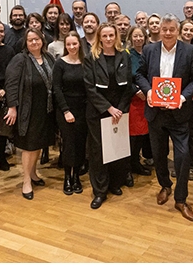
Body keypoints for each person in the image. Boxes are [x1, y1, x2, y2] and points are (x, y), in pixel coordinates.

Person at [136, 13, 193, 221]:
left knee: (183, 157)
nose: (167, 33)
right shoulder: (149, 50)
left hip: (180, 113)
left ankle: (181, 198)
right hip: (156, 113)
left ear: (178, 30)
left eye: (171, 29)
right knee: (158, 155)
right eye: (164, 29)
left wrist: (183, 97)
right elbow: (139, 74)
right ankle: (165, 185)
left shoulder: (190, 51)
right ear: (158, 30)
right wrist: (148, 91)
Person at [83, 24, 134, 209]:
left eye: (111, 35)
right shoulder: (91, 57)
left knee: (117, 149)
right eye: (104, 36)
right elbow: (89, 88)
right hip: (98, 111)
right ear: (99, 38)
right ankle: (100, 191)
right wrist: (109, 108)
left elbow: (129, 85)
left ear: (116, 36)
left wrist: (119, 109)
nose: (109, 38)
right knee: (99, 152)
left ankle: (114, 183)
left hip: (120, 111)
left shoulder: (124, 55)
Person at [4, 29, 56, 200]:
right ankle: (26, 180)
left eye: (37, 39)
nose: (34, 43)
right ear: (25, 43)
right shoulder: (20, 59)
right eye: (30, 40)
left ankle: (33, 174)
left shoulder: (49, 58)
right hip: (28, 109)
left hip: (45, 109)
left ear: (42, 40)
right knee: (29, 146)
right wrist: (12, 107)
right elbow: (11, 84)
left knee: (38, 143)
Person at [53, 32, 89, 196]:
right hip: (65, 109)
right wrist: (66, 111)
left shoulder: (85, 63)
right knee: (69, 144)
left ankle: (77, 178)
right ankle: (68, 177)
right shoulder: (60, 64)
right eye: (69, 44)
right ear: (65, 46)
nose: (72, 47)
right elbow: (57, 89)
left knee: (81, 144)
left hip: (83, 109)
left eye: (75, 44)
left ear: (79, 44)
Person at [0, 20, 18, 172]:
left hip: (5, 93)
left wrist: (5, 90)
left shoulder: (9, 51)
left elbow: (12, 74)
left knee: (3, 130)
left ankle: (1, 157)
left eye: (1, 31)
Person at [125, 26, 153, 177]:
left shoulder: (150, 53)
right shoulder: (126, 55)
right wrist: (136, 90)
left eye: (140, 36)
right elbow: (123, 78)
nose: (138, 39)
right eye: (135, 36)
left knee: (143, 133)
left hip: (147, 99)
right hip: (133, 100)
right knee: (132, 135)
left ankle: (137, 163)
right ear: (130, 38)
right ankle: (129, 165)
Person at [178, 19, 193, 180]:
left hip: (192, 98)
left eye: (191, 30)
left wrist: (188, 96)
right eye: (185, 30)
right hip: (173, 98)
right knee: (177, 132)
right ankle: (178, 165)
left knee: (190, 132)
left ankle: (191, 166)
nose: (188, 33)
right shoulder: (174, 50)